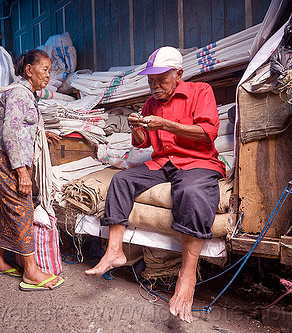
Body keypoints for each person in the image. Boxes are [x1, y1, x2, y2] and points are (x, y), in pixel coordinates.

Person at [85, 46, 225, 323]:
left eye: (161, 78)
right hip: (163, 163)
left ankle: (187, 277)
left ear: (178, 74)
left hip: (197, 163)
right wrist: (137, 128)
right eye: (151, 79)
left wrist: (167, 124)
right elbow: (143, 144)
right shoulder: (150, 103)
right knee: (122, 180)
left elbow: (208, 134)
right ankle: (114, 252)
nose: (154, 85)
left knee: (191, 192)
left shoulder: (200, 92)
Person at [0, 49, 63, 291]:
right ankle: (31, 271)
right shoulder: (19, 93)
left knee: (7, 209)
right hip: (6, 160)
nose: (48, 76)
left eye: (50, 71)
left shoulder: (27, 94)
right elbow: (10, 131)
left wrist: (41, 132)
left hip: (4, 159)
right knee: (22, 209)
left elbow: (24, 126)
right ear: (29, 70)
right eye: (44, 70)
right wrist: (21, 171)